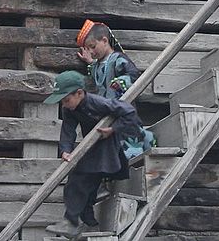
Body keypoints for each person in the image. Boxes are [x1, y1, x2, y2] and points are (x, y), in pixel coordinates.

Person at [43, 70, 144, 239]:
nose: (65, 105)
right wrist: (65, 150)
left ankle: (71, 222)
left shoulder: (98, 103)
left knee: (78, 180)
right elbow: (68, 129)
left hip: (108, 146)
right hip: (92, 147)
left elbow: (129, 112)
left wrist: (113, 129)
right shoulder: (69, 109)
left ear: (80, 93)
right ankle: (89, 221)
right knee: (86, 183)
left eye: (66, 100)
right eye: (62, 101)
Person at [75, 19, 156, 159]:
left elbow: (133, 74)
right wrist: (89, 62)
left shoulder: (118, 59)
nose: (91, 52)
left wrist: (121, 81)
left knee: (128, 138)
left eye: (93, 46)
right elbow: (97, 77)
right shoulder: (97, 65)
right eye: (88, 48)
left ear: (105, 41)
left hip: (122, 107)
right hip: (106, 109)